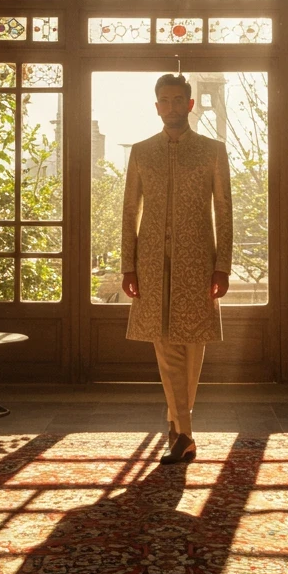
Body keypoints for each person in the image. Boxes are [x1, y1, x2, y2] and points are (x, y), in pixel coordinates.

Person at [121, 73, 233, 464]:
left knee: (192, 344)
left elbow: (225, 212)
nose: (171, 106)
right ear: (157, 107)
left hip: (198, 262)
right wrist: (127, 265)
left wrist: (223, 266)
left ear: (190, 104)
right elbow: (130, 211)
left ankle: (177, 424)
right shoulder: (140, 152)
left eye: (177, 99)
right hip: (151, 262)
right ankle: (184, 432)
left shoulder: (212, 151)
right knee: (165, 344)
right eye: (164, 100)